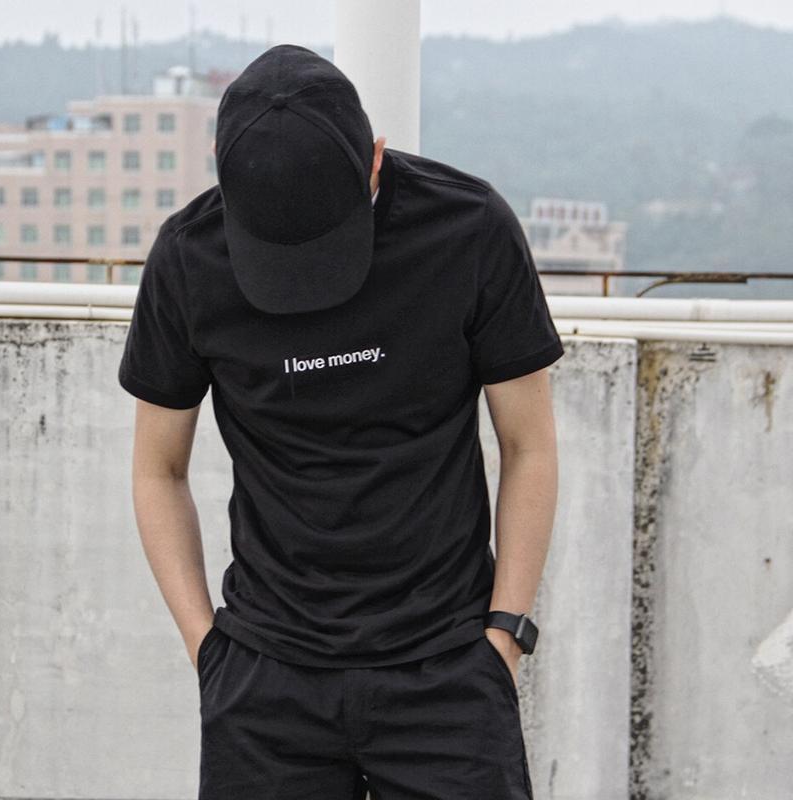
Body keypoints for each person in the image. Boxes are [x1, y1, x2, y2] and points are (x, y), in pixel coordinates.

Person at [118, 43, 564, 800]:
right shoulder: (189, 259)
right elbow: (157, 468)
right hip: (265, 680)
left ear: (375, 159)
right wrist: (208, 650)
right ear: (223, 173)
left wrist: (505, 636)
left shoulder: (467, 229)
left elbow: (530, 445)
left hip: (448, 669)